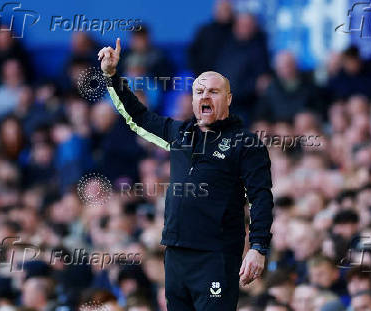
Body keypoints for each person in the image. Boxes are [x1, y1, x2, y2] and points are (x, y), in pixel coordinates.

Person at [98, 38, 274, 310]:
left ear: (228, 99)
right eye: (199, 91)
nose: (205, 96)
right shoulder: (179, 134)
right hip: (176, 253)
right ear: (191, 99)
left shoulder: (245, 143)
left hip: (216, 255)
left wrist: (258, 247)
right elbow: (137, 117)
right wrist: (111, 75)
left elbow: (261, 196)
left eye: (213, 92)